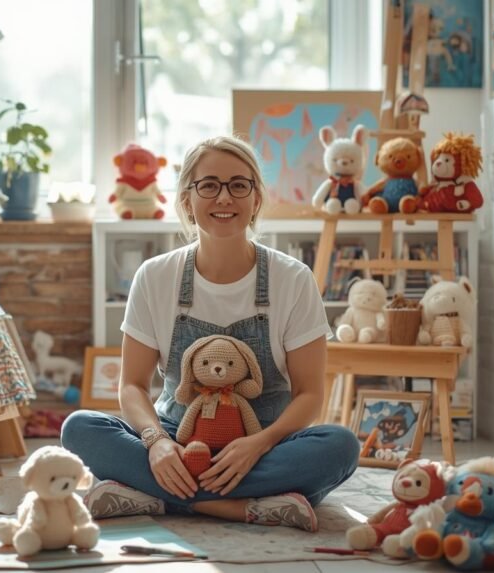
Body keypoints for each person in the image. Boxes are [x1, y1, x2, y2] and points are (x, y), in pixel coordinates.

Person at [61, 136, 359, 532]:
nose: (224, 198)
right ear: (187, 199)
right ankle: (244, 505)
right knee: (79, 428)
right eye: (209, 185)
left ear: (256, 199)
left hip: (263, 444)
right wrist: (157, 444)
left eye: (239, 185)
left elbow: (309, 395)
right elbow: (132, 386)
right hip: (177, 438)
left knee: (340, 447)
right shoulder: (154, 276)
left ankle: (162, 498)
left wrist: (258, 444)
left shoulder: (293, 279)